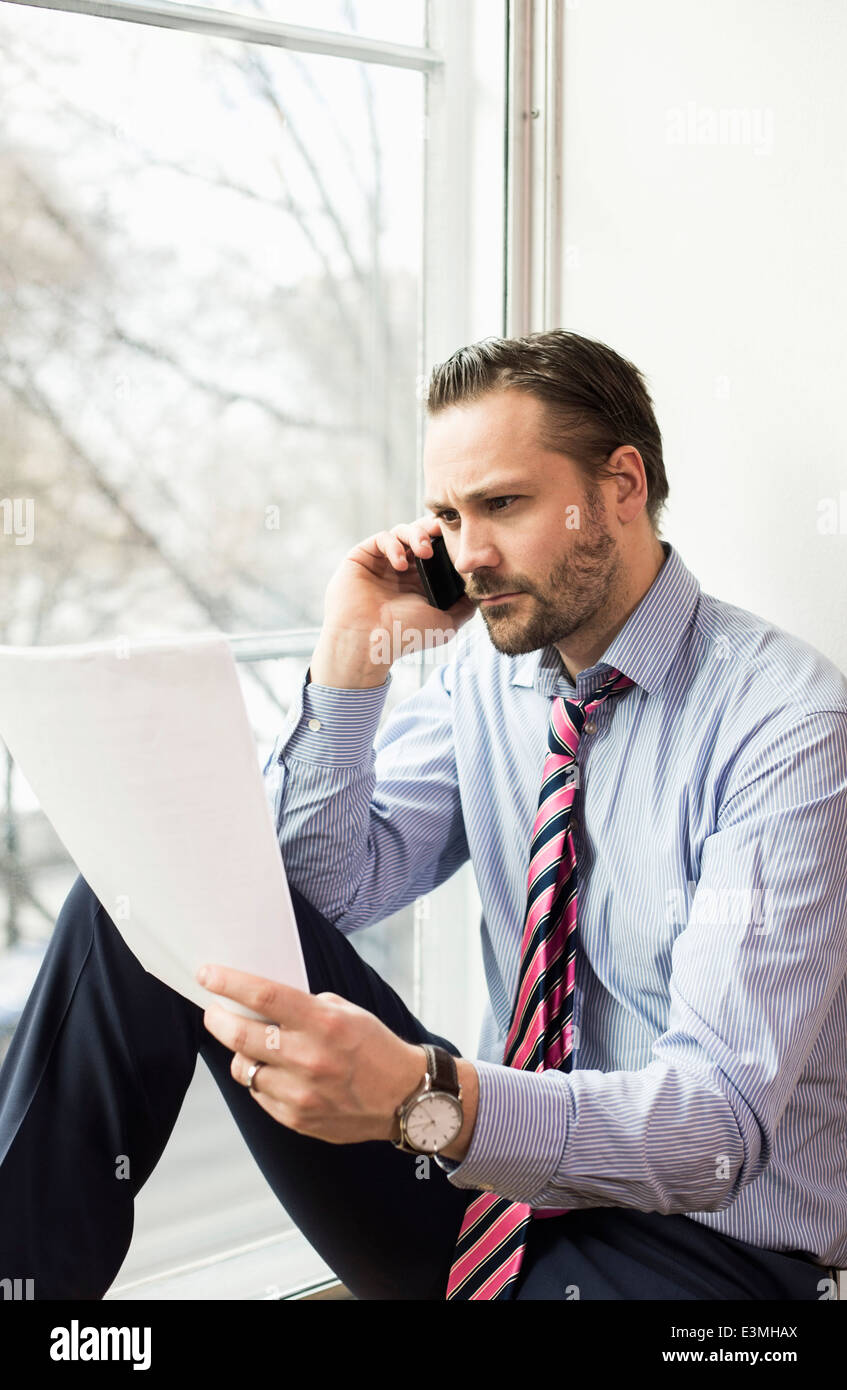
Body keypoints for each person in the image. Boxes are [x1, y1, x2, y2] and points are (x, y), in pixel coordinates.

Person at [1, 330, 845, 1301]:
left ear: (619, 486)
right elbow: (309, 896)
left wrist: (418, 1095)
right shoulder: (488, 674)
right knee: (141, 905)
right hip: (476, 1188)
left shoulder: (784, 728)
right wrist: (351, 660)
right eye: (446, 513)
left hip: (695, 1253)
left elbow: (710, 1135)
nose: (467, 553)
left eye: (502, 504)